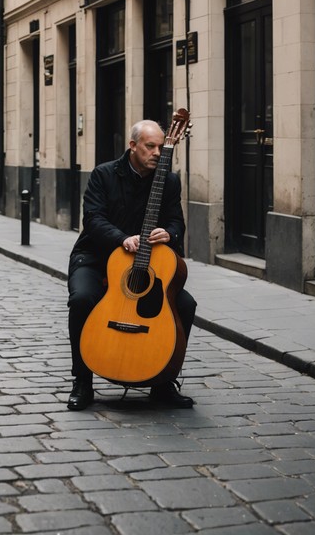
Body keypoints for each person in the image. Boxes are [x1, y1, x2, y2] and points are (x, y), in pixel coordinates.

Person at [66, 119, 198, 411]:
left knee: (185, 305)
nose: (155, 152)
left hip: (145, 265)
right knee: (82, 299)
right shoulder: (104, 174)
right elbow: (93, 220)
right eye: (149, 146)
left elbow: (176, 220)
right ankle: (82, 381)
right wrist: (122, 238)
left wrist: (170, 233)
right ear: (133, 146)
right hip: (98, 257)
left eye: (160, 147)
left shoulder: (169, 180)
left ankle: (163, 383)